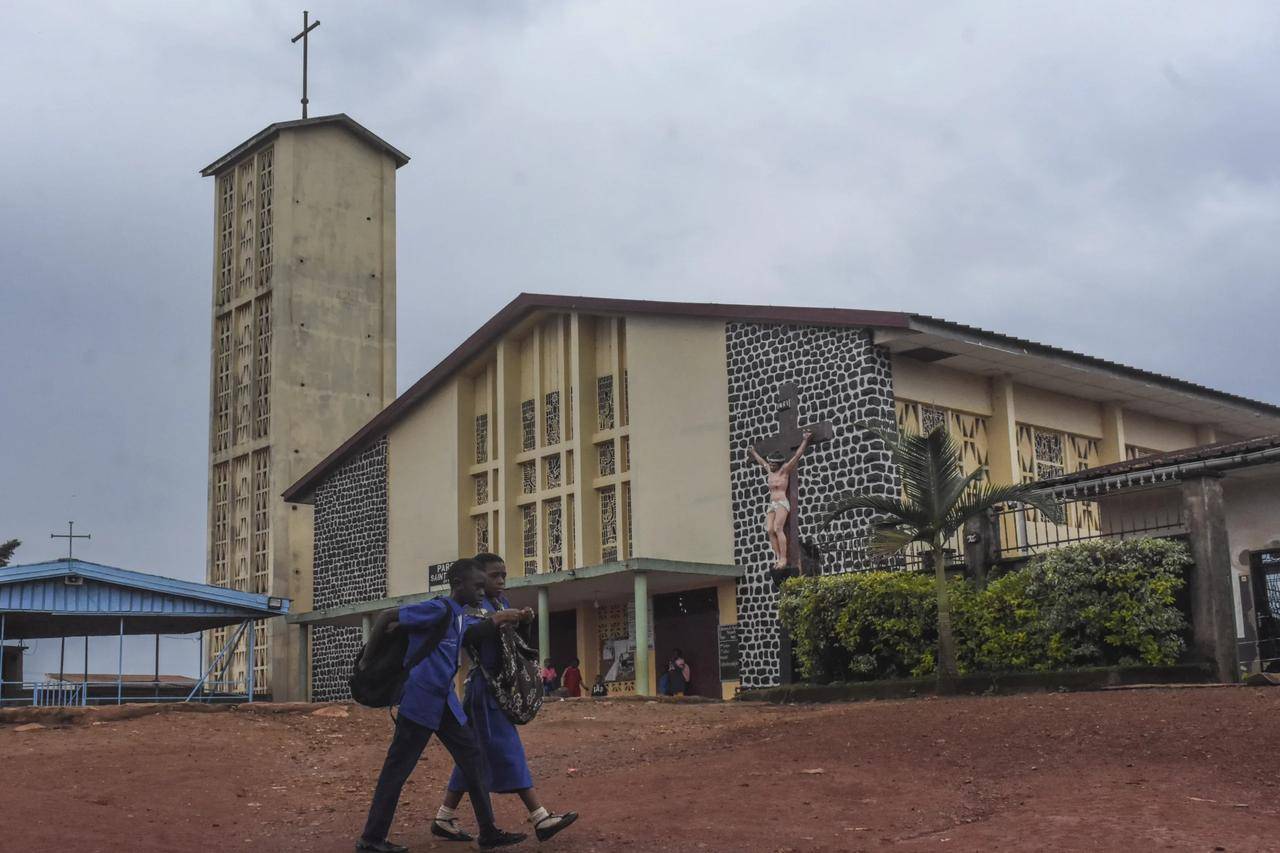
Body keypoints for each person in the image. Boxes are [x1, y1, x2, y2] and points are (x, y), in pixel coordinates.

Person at [355, 559, 527, 852]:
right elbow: (385, 617)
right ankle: (371, 840)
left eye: (482, 588)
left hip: (444, 702)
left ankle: (488, 832)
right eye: (477, 587)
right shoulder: (439, 608)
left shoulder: (460, 615)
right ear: (457, 585)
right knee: (396, 771)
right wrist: (366, 662)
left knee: (473, 759)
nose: (481, 592)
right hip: (420, 702)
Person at [433, 553, 579, 845]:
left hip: (493, 689)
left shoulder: (498, 603)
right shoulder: (471, 607)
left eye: (503, 575)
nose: (501, 581)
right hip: (485, 691)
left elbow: (512, 644)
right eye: (494, 576)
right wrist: (500, 619)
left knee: (471, 756)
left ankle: (444, 816)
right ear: (477, 577)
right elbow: (469, 637)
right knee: (507, 749)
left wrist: (522, 620)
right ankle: (539, 816)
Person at [749, 431, 813, 569]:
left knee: (778, 528)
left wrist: (805, 441)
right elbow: (761, 461)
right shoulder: (769, 471)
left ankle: (784, 558)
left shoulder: (784, 470)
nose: (770, 465)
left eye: (773, 463)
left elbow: (797, 456)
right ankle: (778, 556)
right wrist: (753, 452)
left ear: (778, 464)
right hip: (772, 504)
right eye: (770, 463)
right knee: (769, 530)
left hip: (782, 502)